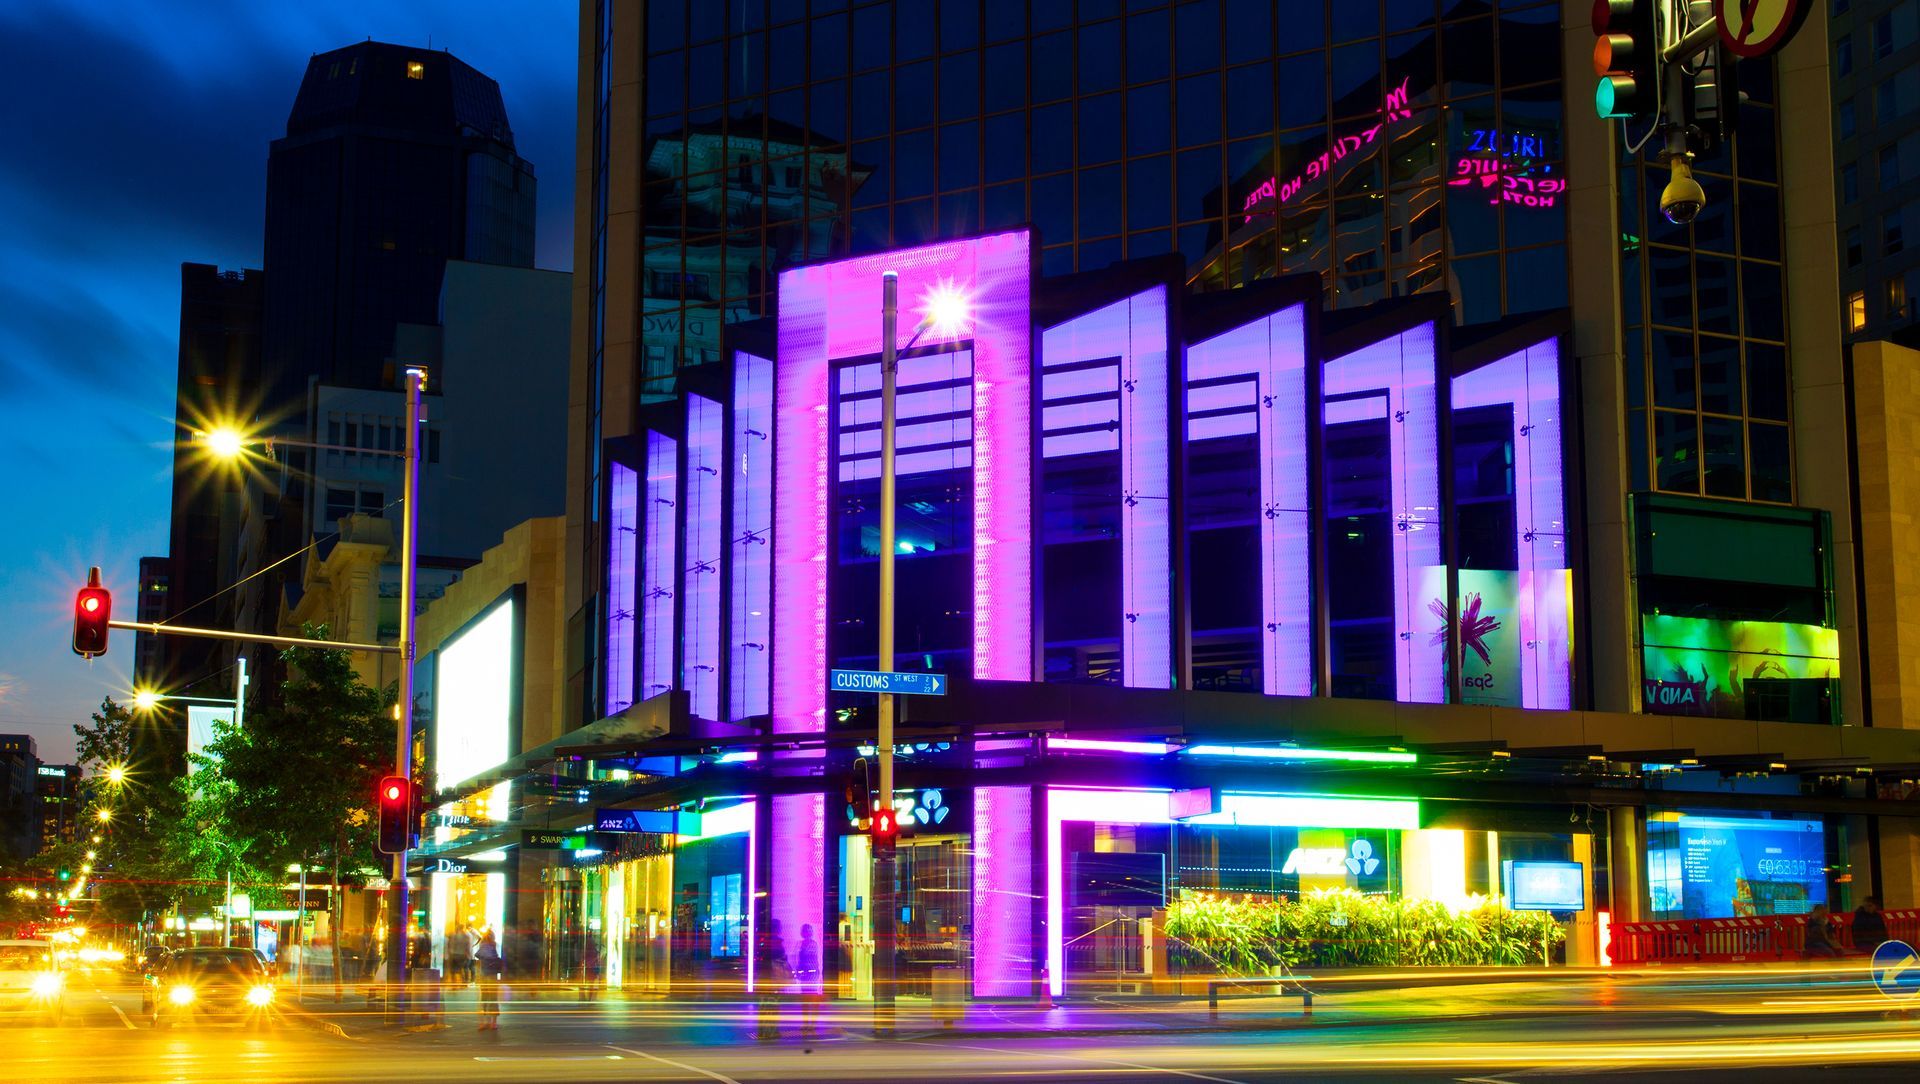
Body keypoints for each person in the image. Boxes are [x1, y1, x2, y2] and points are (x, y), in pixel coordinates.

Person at [475, 928, 504, 1031]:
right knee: (493, 997)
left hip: (485, 974)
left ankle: (484, 1022)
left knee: (484, 997)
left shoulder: (483, 945)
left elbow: (477, 955)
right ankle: (493, 1023)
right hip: (492, 975)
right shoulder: (494, 945)